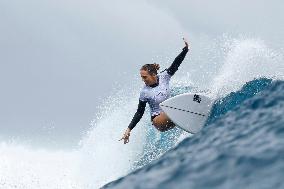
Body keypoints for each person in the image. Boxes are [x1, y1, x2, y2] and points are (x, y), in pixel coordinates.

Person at [119, 38, 189, 144]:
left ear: (153, 74)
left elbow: (175, 64)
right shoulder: (144, 92)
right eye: (141, 77)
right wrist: (129, 129)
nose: (143, 80)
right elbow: (139, 112)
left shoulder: (164, 77)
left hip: (170, 112)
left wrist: (185, 50)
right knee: (176, 111)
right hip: (158, 120)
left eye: (145, 77)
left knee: (178, 109)